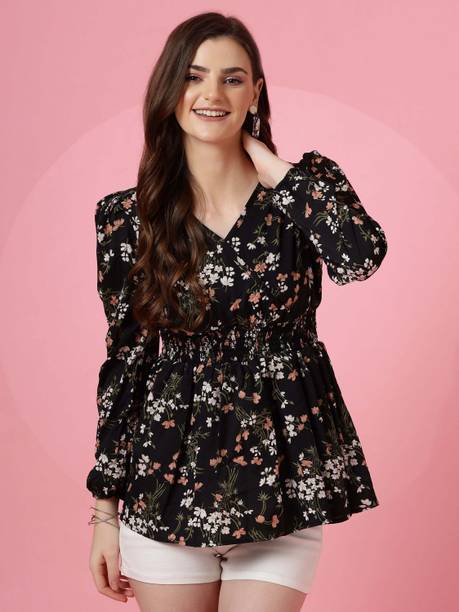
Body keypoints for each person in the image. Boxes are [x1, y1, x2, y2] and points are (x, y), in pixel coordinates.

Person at [86, 11, 388, 612]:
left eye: (232, 78)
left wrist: (277, 172)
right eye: (194, 76)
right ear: (169, 90)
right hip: (164, 484)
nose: (212, 94)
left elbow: (361, 258)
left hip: (283, 487)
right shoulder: (127, 219)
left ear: (256, 93)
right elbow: (125, 365)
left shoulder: (302, 191)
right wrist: (104, 511)